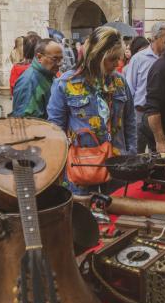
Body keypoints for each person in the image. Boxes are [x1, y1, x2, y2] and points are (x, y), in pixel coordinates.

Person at [47, 26, 136, 194]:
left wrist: (131, 154)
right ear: (96, 56)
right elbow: (55, 129)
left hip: (118, 166)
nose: (118, 64)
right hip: (82, 168)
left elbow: (130, 120)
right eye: (112, 59)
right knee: (84, 217)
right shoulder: (65, 84)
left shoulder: (120, 83)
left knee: (117, 214)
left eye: (119, 58)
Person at [123, 22, 165, 152]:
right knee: (136, 151)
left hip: (160, 115)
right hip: (139, 113)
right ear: (155, 37)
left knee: (157, 152)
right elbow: (129, 88)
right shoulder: (139, 59)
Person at [11, 38, 62, 119]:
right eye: (55, 59)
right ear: (39, 57)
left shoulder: (48, 74)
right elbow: (26, 122)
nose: (60, 64)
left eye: (61, 59)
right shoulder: (29, 82)